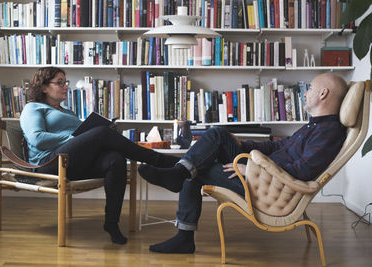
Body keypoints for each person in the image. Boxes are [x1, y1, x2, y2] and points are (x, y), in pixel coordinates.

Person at [138, 73, 348, 253]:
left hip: (264, 186)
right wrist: (242, 144)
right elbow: (277, 147)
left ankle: (183, 228)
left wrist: (252, 170)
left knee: (196, 170)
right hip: (260, 174)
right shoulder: (313, 126)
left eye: (310, 88)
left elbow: (302, 171)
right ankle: (178, 172)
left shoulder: (329, 133)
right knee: (218, 134)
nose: (306, 92)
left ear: (323, 94)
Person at [20, 67, 179, 245]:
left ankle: (111, 223)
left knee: (115, 160)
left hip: (74, 163)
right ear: (44, 87)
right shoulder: (33, 108)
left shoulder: (68, 112)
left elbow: (80, 142)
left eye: (66, 82)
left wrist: (86, 136)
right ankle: (161, 161)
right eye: (60, 82)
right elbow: (37, 138)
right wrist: (77, 137)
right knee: (102, 132)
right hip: (49, 162)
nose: (65, 86)